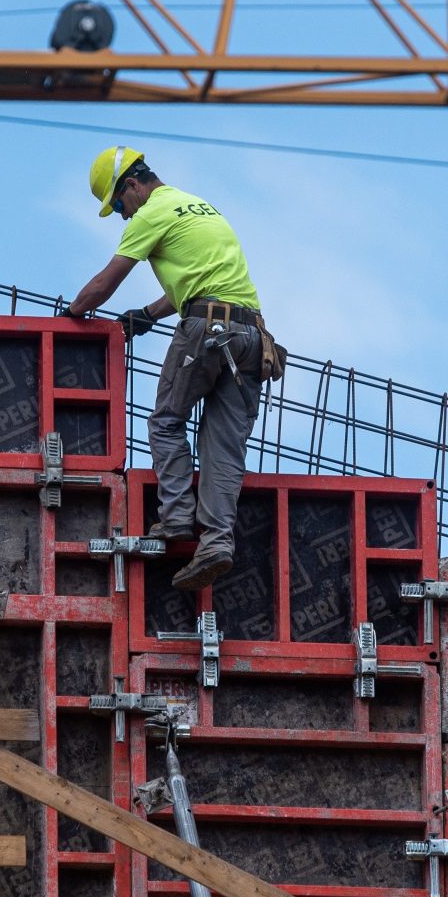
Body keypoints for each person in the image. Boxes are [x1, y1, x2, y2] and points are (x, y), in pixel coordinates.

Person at [61, 145, 270, 592]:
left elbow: (108, 280)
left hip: (205, 331)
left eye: (118, 204)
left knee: (166, 421)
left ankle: (176, 518)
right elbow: (197, 283)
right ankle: (216, 543)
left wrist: (73, 312)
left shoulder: (151, 213)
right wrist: (150, 314)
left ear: (132, 185)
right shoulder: (199, 205)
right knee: (223, 448)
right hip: (252, 337)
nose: (120, 215)